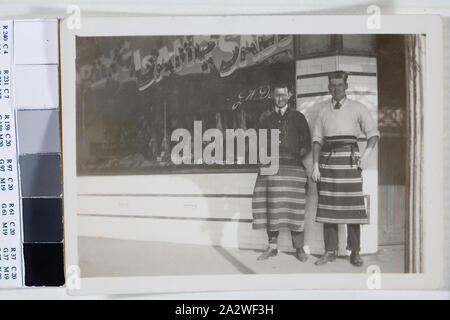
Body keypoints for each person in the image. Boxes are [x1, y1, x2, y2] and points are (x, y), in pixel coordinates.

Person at [311, 71, 380, 267]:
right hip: (327, 162)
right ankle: (329, 251)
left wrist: (366, 157)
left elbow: (373, 133)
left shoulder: (358, 108)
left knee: (353, 207)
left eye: (340, 85)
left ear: (346, 86)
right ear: (328, 88)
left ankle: (355, 252)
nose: (336, 89)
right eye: (332, 85)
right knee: (328, 206)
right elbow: (316, 140)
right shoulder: (323, 111)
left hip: (350, 162)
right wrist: (315, 165)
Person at [252, 82, 311, 262]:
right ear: (272, 96)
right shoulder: (265, 117)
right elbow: (258, 142)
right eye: (277, 95)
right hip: (270, 167)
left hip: (293, 167)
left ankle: (299, 248)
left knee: (295, 207)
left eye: (283, 95)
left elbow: (306, 143)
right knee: (271, 206)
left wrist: (293, 157)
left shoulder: (298, 117)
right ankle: (272, 247)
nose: (280, 98)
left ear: (290, 95)